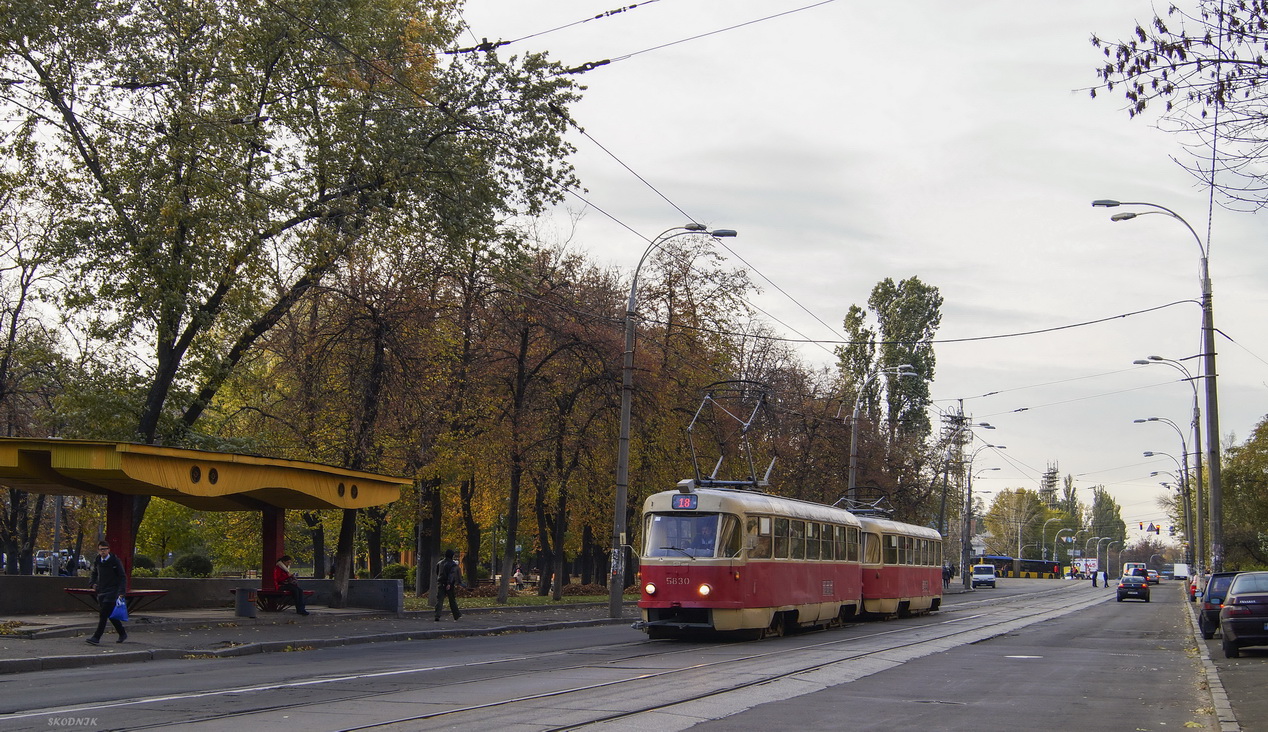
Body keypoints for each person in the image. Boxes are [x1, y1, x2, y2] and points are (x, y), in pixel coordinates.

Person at [86, 540, 127, 645]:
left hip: (113, 591)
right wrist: (92, 584)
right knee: (109, 614)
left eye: (105, 549)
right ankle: (122, 633)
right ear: (98, 550)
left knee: (103, 614)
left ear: (108, 550)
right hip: (101, 590)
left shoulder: (115, 561)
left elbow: (122, 576)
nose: (103, 551)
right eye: (101, 549)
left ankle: (96, 637)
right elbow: (94, 573)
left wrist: (121, 592)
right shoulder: (98, 560)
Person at [434, 549, 463, 621]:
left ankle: (437, 615)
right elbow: (451, 574)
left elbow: (437, 572)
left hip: (441, 582)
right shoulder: (452, 564)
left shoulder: (440, 563)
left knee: (439, 600)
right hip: (449, 584)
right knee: (452, 599)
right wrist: (449, 583)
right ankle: (456, 614)